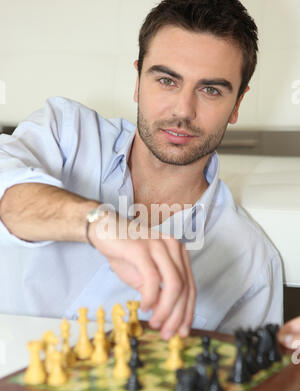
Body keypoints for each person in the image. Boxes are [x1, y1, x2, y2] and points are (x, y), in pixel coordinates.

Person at [0, 0, 283, 340]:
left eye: (210, 90)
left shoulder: (251, 266)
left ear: (237, 104)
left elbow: (246, 387)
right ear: (137, 80)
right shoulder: (66, 134)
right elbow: (8, 194)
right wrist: (101, 224)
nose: (183, 110)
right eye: (167, 80)